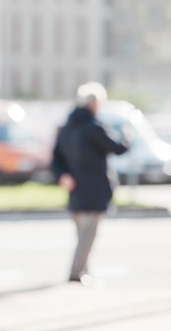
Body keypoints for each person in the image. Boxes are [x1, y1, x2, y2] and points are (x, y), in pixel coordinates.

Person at [51, 82, 129, 285]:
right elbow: (118, 148)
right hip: (94, 189)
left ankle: (84, 270)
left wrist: (62, 175)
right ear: (94, 104)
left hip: (74, 189)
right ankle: (77, 273)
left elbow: (55, 159)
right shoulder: (93, 128)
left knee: (81, 234)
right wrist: (127, 136)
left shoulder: (67, 128)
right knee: (88, 235)